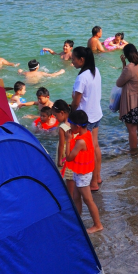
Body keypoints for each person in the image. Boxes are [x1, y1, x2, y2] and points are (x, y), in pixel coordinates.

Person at [63, 110, 104, 233]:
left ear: (78, 126)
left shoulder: (80, 142)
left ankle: (98, 225)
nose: (69, 126)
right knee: (76, 197)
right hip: (80, 171)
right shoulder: (88, 133)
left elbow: (69, 157)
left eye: (71, 124)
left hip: (83, 175)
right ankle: (77, 219)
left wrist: (68, 140)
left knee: (88, 200)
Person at [70, 47, 103, 190]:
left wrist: (70, 115)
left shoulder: (81, 77)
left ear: (81, 60)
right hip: (96, 113)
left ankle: (93, 182)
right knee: (95, 146)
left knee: (89, 150)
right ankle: (98, 177)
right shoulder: (95, 71)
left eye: (73, 59)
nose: (72, 62)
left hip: (85, 117)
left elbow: (76, 102)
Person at [116, 44, 138, 150]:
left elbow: (119, 83)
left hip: (130, 102)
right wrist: (124, 64)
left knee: (131, 129)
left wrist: (124, 65)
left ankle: (134, 152)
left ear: (126, 55)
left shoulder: (129, 68)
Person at [52, 99, 75, 192]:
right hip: (73, 152)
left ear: (62, 113)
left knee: (67, 179)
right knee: (73, 178)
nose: (55, 118)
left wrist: (59, 160)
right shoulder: (75, 123)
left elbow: (61, 145)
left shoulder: (62, 127)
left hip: (65, 155)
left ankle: (71, 199)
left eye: (55, 115)